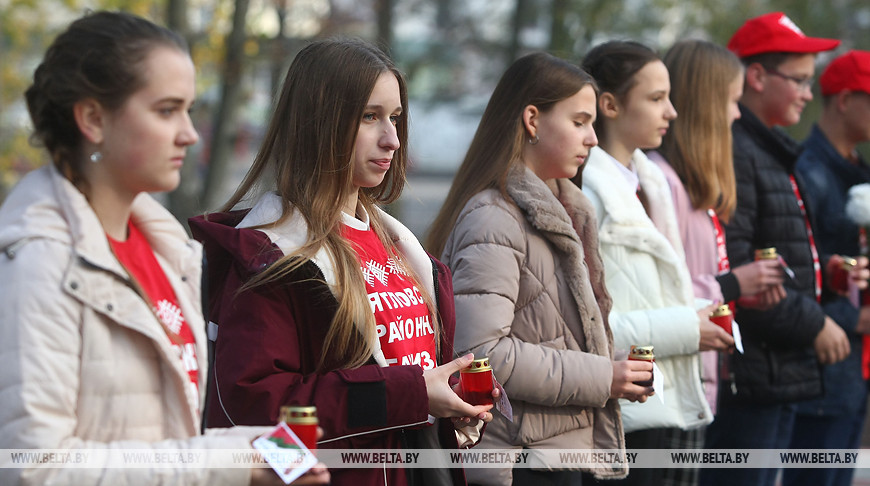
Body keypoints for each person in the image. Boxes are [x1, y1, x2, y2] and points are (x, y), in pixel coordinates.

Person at [0, 10, 328, 486]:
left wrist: (248, 450)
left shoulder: (166, 249)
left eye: (189, 110)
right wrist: (223, 465)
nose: (189, 134)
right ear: (93, 118)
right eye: (166, 110)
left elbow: (163, 442)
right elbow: (32, 467)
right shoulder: (39, 261)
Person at [189, 38, 494, 486]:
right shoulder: (270, 257)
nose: (392, 139)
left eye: (394, 118)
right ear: (320, 123)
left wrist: (449, 402)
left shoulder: (402, 249)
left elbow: (410, 394)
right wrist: (409, 395)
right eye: (370, 117)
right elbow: (255, 411)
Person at [426, 52, 654, 485]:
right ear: (532, 120)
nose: (592, 139)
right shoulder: (494, 216)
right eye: (580, 122)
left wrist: (612, 368)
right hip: (515, 462)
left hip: (549, 452)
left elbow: (549, 333)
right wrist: (604, 376)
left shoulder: (566, 211)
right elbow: (481, 354)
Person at [699, 12, 861, 486]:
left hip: (778, 368)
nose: (810, 94)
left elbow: (776, 252)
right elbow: (740, 266)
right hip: (753, 373)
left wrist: (824, 271)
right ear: (756, 76)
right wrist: (816, 321)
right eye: (799, 81)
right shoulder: (739, 150)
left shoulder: (766, 148)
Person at [579, 40, 725, 486]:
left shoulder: (654, 182)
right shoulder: (587, 194)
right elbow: (588, 326)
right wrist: (687, 327)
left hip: (668, 398)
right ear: (610, 105)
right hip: (627, 409)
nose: (672, 112)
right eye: (656, 98)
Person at [647, 39, 786, 417]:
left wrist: (742, 290)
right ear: (704, 107)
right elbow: (657, 296)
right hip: (670, 387)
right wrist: (734, 283)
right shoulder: (661, 183)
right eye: (730, 101)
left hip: (698, 377)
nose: (737, 114)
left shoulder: (694, 186)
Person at [782, 50, 870, 486]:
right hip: (820, 369)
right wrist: (856, 316)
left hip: (855, 372)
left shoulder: (859, 173)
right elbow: (794, 275)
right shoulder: (805, 171)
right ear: (845, 99)